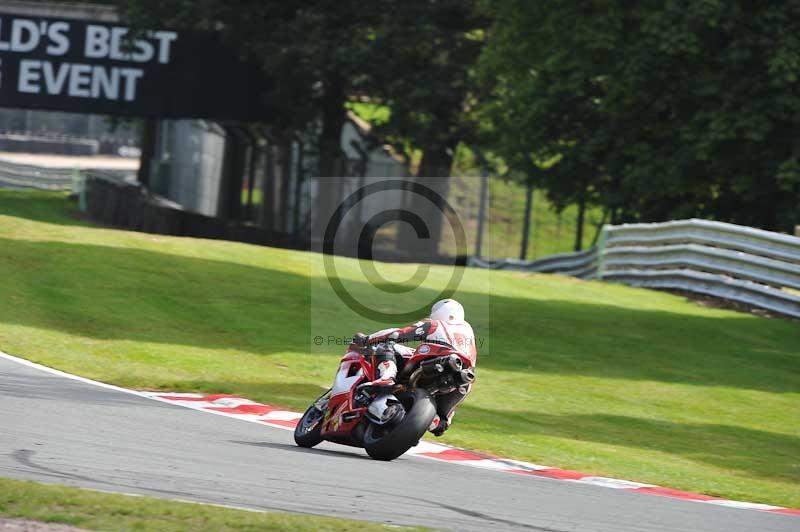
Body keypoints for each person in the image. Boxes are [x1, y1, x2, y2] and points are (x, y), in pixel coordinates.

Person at [352, 299, 477, 436]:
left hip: (436, 359)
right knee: (442, 422)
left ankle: (386, 378)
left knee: (385, 347)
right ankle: (434, 421)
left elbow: (397, 334)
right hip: (463, 378)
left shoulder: (435, 324)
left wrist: (367, 340)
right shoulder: (469, 337)